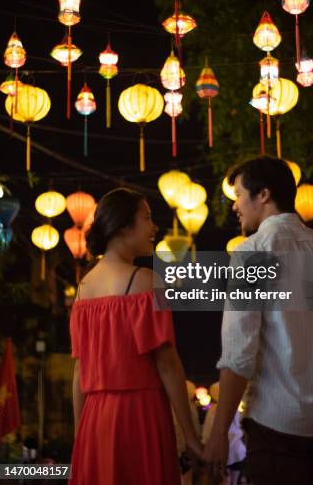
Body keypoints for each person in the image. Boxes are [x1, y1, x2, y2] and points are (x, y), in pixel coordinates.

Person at [203, 156, 313, 485]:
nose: (235, 207)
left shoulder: (252, 252)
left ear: (264, 195)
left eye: (240, 196)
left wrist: (217, 435)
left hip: (277, 428)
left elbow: (239, 356)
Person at [69, 188, 203, 485]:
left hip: (94, 418)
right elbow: (167, 363)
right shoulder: (145, 282)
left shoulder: (83, 289)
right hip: (139, 415)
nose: (155, 228)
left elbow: (80, 371)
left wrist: (81, 434)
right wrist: (191, 436)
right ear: (123, 226)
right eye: (147, 218)